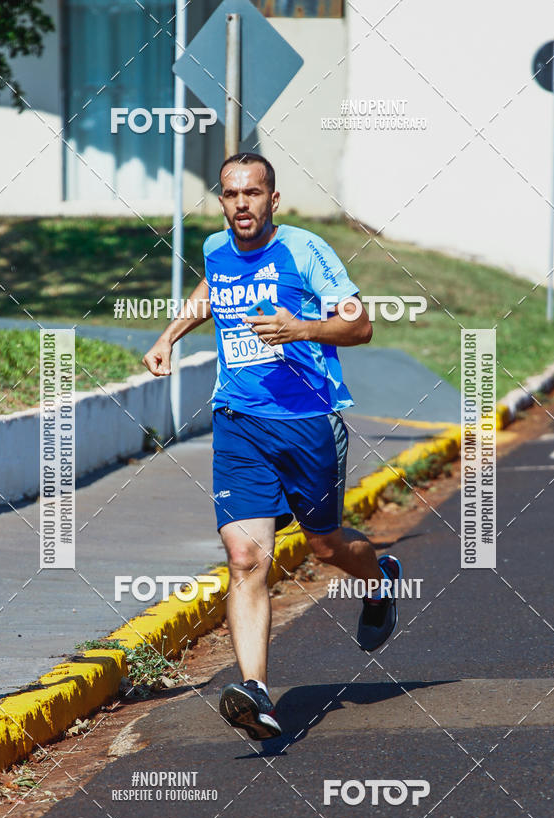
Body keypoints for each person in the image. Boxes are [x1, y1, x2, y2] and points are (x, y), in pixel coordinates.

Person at [143, 152, 402, 741]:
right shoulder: (214, 248)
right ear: (222, 200)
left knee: (326, 546)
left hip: (308, 421)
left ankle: (379, 580)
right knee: (244, 558)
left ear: (272, 200)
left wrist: (301, 328)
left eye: (253, 193)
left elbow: (360, 326)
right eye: (231, 194)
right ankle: (256, 692)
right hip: (238, 423)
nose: (241, 205)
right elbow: (213, 290)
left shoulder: (306, 251)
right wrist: (168, 338)